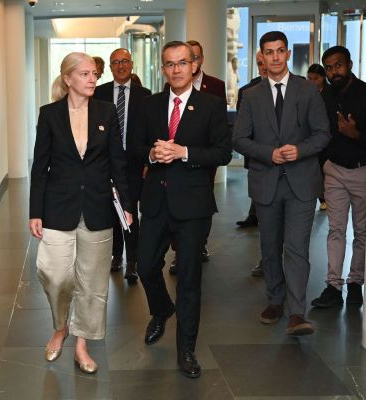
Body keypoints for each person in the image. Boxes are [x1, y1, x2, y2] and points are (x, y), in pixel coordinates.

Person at [29, 52, 133, 374]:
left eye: (94, 74)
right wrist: (35, 211)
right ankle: (60, 326)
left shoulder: (105, 111)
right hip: (58, 207)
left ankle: (82, 345)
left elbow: (117, 160)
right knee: (54, 274)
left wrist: (126, 204)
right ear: (68, 79)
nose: (93, 79)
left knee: (93, 282)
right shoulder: (50, 114)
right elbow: (40, 166)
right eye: (85, 73)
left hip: (98, 207)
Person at [135, 41, 232, 378]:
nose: (176, 69)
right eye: (169, 64)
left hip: (193, 205)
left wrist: (184, 152)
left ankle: (186, 350)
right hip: (155, 201)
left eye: (182, 63)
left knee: (189, 279)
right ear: (163, 68)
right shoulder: (149, 105)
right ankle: (162, 308)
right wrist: (151, 154)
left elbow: (223, 153)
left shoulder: (211, 105)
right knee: (146, 265)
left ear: (194, 66)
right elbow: (134, 147)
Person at [233, 31, 330, 336]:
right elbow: (239, 139)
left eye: (280, 51)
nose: (275, 57)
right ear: (261, 57)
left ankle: (297, 313)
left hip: (302, 182)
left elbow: (323, 134)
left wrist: (300, 150)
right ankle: (275, 300)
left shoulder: (308, 91)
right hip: (266, 182)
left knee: (297, 248)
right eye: (269, 52)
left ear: (288, 54)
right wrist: (268, 153)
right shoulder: (251, 95)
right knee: (270, 246)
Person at [311, 46, 366, 309]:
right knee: (336, 230)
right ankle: (333, 286)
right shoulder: (324, 97)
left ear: (350, 64)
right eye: (329, 68)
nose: (334, 71)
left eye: (338, 65)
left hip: (363, 171)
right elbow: (319, 134)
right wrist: (324, 165)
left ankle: (356, 282)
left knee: (362, 231)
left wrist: (355, 134)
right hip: (334, 171)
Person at [168, 39, 227, 274]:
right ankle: (180, 250)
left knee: (202, 202)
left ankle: (198, 244)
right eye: (173, 63)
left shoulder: (215, 86)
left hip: (204, 159)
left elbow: (220, 135)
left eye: (192, 58)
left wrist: (191, 153)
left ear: (198, 61)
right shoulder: (168, 88)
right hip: (172, 163)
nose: (179, 68)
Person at [93, 48, 152, 284]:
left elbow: (149, 131)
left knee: (131, 211)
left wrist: (148, 161)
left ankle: (133, 261)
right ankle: (117, 255)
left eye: (125, 61)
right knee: (112, 210)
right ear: (110, 67)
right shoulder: (99, 93)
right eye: (116, 62)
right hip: (107, 163)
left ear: (132, 64)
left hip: (135, 163)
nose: (121, 66)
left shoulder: (144, 95)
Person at [236, 51, 268, 278]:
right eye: (259, 63)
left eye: (265, 60)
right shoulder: (247, 91)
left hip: (291, 166)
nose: (263, 66)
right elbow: (241, 132)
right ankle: (267, 260)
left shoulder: (299, 87)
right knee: (267, 221)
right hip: (259, 161)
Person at [307, 63, 331, 211]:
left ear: (323, 78)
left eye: (315, 78)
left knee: (324, 169)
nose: (312, 82)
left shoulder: (329, 94)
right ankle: (321, 197)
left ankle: (325, 197)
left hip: (326, 138)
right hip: (311, 138)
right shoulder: (306, 93)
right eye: (309, 78)